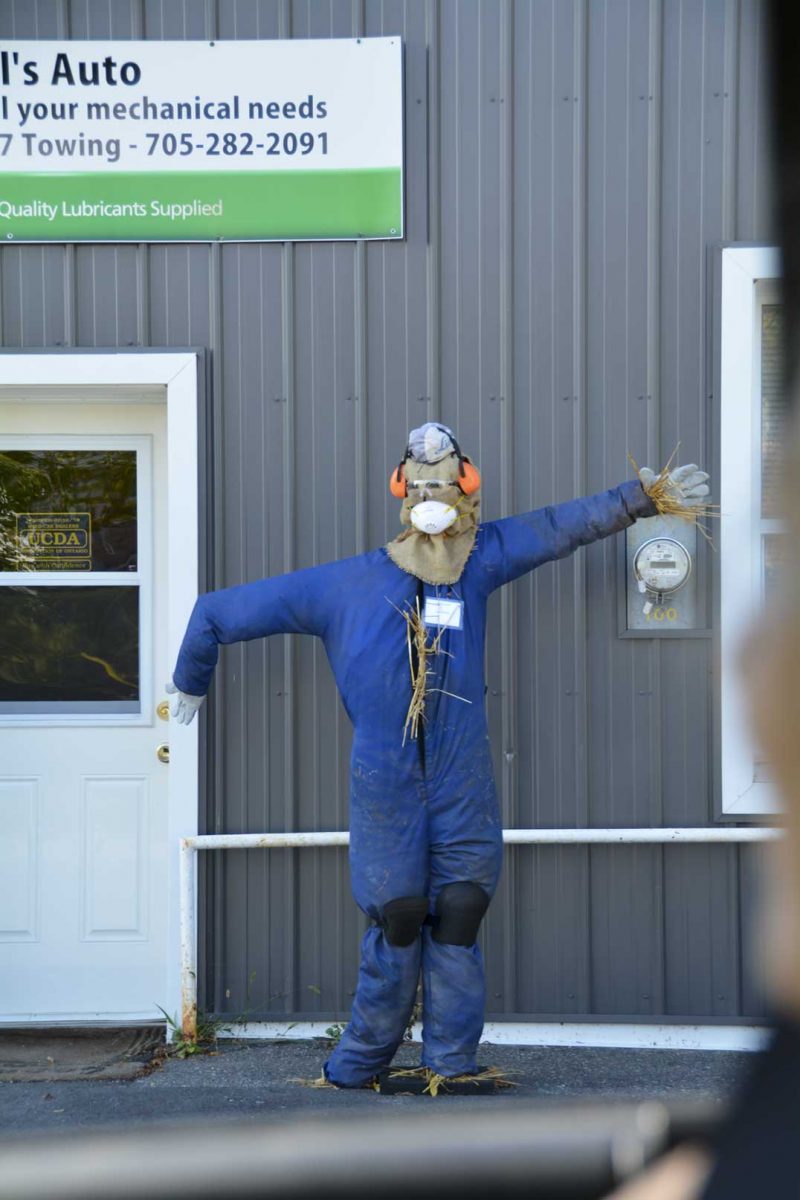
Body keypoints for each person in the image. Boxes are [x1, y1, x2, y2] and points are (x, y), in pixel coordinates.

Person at [168, 422, 709, 1090]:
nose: (433, 496)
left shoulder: (478, 560)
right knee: (397, 914)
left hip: (461, 775)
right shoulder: (343, 585)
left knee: (459, 909)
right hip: (385, 781)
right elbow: (216, 612)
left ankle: (450, 1065)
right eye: (422, 486)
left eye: (445, 484)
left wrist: (639, 499)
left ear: (465, 489)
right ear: (403, 490)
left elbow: (557, 527)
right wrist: (190, 678)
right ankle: (358, 1063)